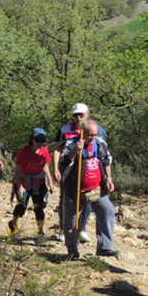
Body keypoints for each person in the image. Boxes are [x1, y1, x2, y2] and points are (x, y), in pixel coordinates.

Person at [58, 120, 118, 260]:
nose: (92, 138)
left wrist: (109, 179)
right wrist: (75, 151)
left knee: (107, 211)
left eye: (94, 134)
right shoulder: (71, 143)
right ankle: (72, 251)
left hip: (96, 189)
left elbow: (106, 161)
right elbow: (64, 163)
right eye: (89, 135)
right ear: (82, 132)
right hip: (75, 190)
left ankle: (104, 247)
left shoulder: (100, 143)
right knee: (71, 222)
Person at [53, 104, 107, 244]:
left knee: (88, 199)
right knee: (66, 198)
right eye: (75, 115)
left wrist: (107, 176)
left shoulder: (96, 129)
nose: (78, 117)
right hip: (69, 169)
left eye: (81, 114)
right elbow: (57, 149)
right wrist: (56, 168)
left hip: (88, 170)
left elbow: (103, 151)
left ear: (87, 114)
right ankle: (64, 229)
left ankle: (82, 229)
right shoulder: (64, 129)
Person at [8, 128, 54, 236]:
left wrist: (50, 182)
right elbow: (18, 170)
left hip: (39, 183)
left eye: (42, 140)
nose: (40, 142)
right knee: (22, 205)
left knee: (39, 207)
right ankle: (13, 223)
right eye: (37, 139)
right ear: (32, 139)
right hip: (24, 183)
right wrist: (20, 187)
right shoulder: (24, 151)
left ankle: (40, 232)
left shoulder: (44, 151)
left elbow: (45, 166)